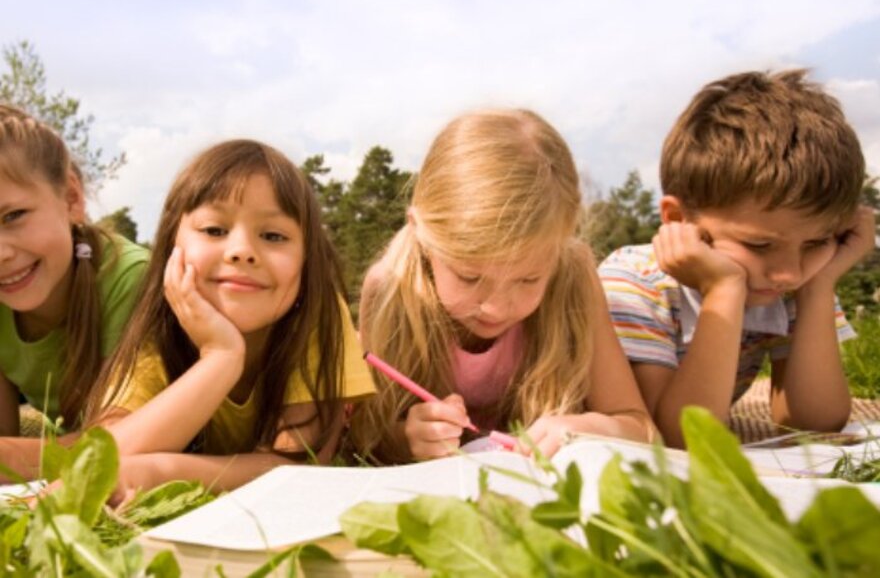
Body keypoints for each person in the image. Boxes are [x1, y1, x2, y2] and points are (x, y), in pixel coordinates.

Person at [349, 109, 653, 464]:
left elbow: (642, 429)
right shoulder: (390, 288)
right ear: (421, 234)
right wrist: (407, 438)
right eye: (470, 277)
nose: (495, 307)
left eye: (528, 279)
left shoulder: (573, 276)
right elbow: (367, 433)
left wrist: (591, 427)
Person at [83, 139, 374, 502]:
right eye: (214, 230)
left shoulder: (319, 317)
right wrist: (221, 356)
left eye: (273, 236)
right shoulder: (158, 330)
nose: (241, 251)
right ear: (172, 244)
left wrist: (163, 472)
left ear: (306, 260)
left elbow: (299, 463)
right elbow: (101, 460)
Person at [599, 69, 875, 448]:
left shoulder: (796, 280)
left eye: (816, 242)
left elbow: (814, 422)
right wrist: (724, 290)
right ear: (679, 220)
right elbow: (675, 437)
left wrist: (819, 286)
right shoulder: (634, 282)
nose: (788, 273)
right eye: (759, 246)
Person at [0, 104, 148, 479]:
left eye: (12, 216)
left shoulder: (130, 279)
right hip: (69, 438)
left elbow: (122, 444)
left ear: (71, 199)